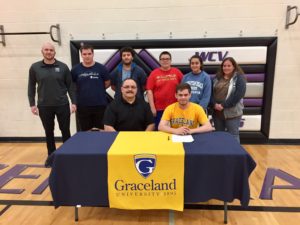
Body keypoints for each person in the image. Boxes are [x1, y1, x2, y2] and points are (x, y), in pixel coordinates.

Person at [28, 42, 76, 162]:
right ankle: (51, 156)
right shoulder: (35, 67)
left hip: (62, 104)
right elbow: (31, 86)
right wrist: (32, 104)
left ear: (54, 52)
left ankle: (67, 155)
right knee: (48, 131)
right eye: (46, 50)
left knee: (65, 130)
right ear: (42, 52)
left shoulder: (63, 67)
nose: (48, 52)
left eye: (51, 50)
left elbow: (70, 86)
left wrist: (73, 102)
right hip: (44, 106)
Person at [71, 44, 110, 131]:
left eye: (89, 53)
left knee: (101, 130)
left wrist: (97, 89)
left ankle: (101, 145)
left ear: (93, 54)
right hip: (82, 106)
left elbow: (107, 83)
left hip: (100, 105)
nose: (87, 56)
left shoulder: (101, 68)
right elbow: (72, 85)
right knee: (85, 131)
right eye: (84, 54)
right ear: (81, 55)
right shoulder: (75, 69)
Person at [211, 57, 246, 143]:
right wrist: (214, 104)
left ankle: (235, 155)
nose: (226, 68)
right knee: (219, 134)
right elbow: (211, 93)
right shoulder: (217, 78)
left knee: (233, 135)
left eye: (229, 65)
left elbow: (238, 95)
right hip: (217, 112)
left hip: (232, 112)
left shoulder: (239, 78)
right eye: (224, 65)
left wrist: (223, 105)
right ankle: (221, 154)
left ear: (234, 66)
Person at [146, 51, 183, 130]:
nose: (165, 61)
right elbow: (149, 91)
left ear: (170, 61)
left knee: (176, 130)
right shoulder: (153, 74)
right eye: (163, 59)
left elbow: (183, 88)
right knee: (160, 131)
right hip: (159, 109)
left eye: (167, 59)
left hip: (175, 108)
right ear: (159, 61)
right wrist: (152, 108)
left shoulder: (177, 72)